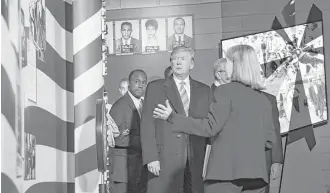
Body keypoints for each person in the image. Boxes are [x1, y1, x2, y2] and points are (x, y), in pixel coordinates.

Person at [153, 44, 277, 193]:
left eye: (229, 61)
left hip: (225, 175)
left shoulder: (225, 91)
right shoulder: (264, 99)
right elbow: (269, 141)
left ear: (237, 65)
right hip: (257, 176)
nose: (226, 64)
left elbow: (209, 127)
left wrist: (172, 117)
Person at [141, 46, 212, 193]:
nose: (178, 62)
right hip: (164, 159)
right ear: (170, 63)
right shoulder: (155, 87)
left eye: (183, 59)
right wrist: (151, 157)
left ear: (192, 64)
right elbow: (147, 124)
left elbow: (208, 126)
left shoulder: (204, 91)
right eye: (175, 59)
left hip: (194, 160)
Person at [109, 69, 148, 193]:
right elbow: (114, 139)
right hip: (123, 171)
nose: (140, 85)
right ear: (129, 84)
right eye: (137, 81)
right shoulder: (119, 106)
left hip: (140, 169)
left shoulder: (144, 104)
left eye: (143, 82)